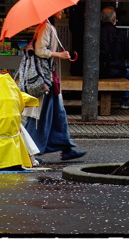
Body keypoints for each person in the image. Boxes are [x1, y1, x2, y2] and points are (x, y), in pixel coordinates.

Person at [22, 12, 86, 161]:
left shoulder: (46, 26)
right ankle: (28, 152)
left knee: (58, 114)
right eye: (61, 10)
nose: (63, 12)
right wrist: (60, 55)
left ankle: (66, 148)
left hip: (50, 78)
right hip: (45, 80)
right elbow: (40, 51)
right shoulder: (46, 27)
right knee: (41, 116)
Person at [99, 6, 129, 109]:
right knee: (128, 73)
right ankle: (125, 100)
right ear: (114, 19)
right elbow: (127, 54)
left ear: (101, 18)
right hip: (118, 70)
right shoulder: (121, 33)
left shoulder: (97, 32)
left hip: (101, 71)